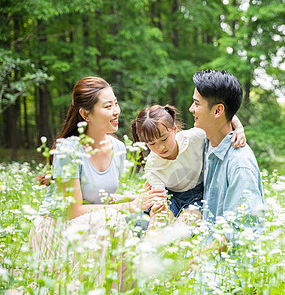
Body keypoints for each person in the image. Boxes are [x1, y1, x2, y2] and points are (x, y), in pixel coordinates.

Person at [29, 76, 159, 290]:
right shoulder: (69, 149)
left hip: (95, 226)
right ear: (86, 114)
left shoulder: (118, 148)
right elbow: (74, 210)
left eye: (116, 103)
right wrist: (129, 207)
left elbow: (99, 197)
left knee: (127, 225)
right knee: (114, 221)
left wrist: (138, 198)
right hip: (58, 229)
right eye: (108, 106)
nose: (116, 111)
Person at [188, 70, 265, 284]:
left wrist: (196, 259)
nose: (191, 109)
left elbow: (238, 232)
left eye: (196, 103)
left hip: (227, 260)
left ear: (217, 111)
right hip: (205, 243)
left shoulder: (240, 165)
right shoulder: (204, 140)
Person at [131, 104, 246, 229]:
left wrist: (239, 128)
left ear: (174, 129)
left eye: (164, 139)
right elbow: (161, 199)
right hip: (171, 197)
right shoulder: (153, 165)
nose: (160, 147)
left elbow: (221, 117)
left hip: (197, 196)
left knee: (181, 228)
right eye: (152, 143)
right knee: (158, 223)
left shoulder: (193, 138)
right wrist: (161, 212)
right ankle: (147, 246)